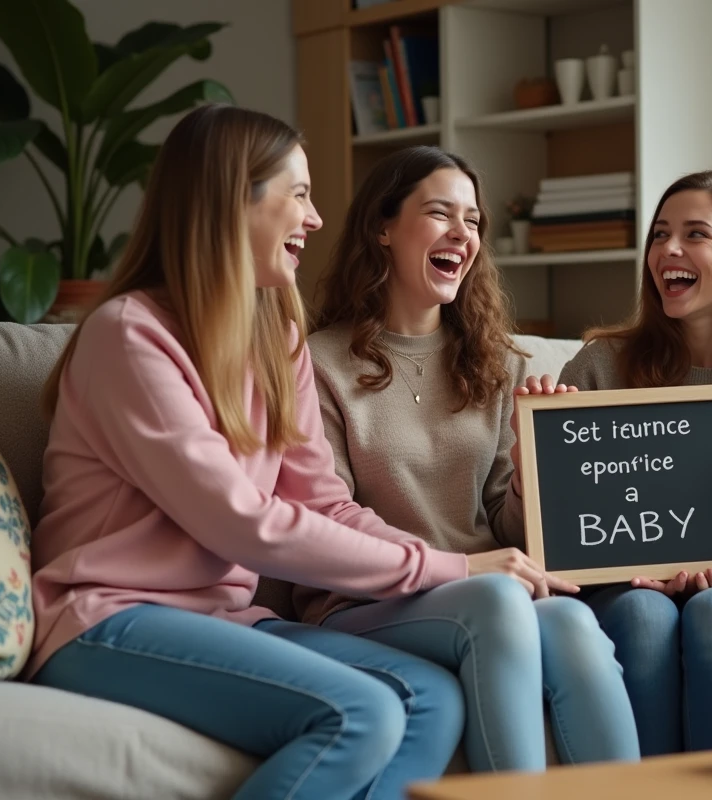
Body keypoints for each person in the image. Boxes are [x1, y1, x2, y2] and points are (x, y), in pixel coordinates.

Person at [27, 106, 536, 800]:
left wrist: (447, 566)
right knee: (361, 711)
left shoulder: (278, 337)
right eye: (298, 194)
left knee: (431, 698)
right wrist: (450, 565)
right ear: (231, 200)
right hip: (105, 618)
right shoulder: (128, 335)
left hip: (226, 618)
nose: (316, 218)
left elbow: (323, 504)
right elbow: (240, 522)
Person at [294, 145, 640, 771]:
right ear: (383, 227)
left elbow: (506, 530)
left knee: (570, 622)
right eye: (440, 213)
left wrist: (531, 468)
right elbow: (327, 519)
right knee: (499, 601)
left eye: (474, 220)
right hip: (363, 604)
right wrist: (461, 569)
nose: (463, 233)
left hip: (484, 589)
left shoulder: (497, 364)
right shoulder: (319, 363)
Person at [515, 170, 712, 753]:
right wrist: (534, 463)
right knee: (646, 613)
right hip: (621, 589)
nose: (668, 250)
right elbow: (547, 538)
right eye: (660, 234)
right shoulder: (600, 365)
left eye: (694, 234)